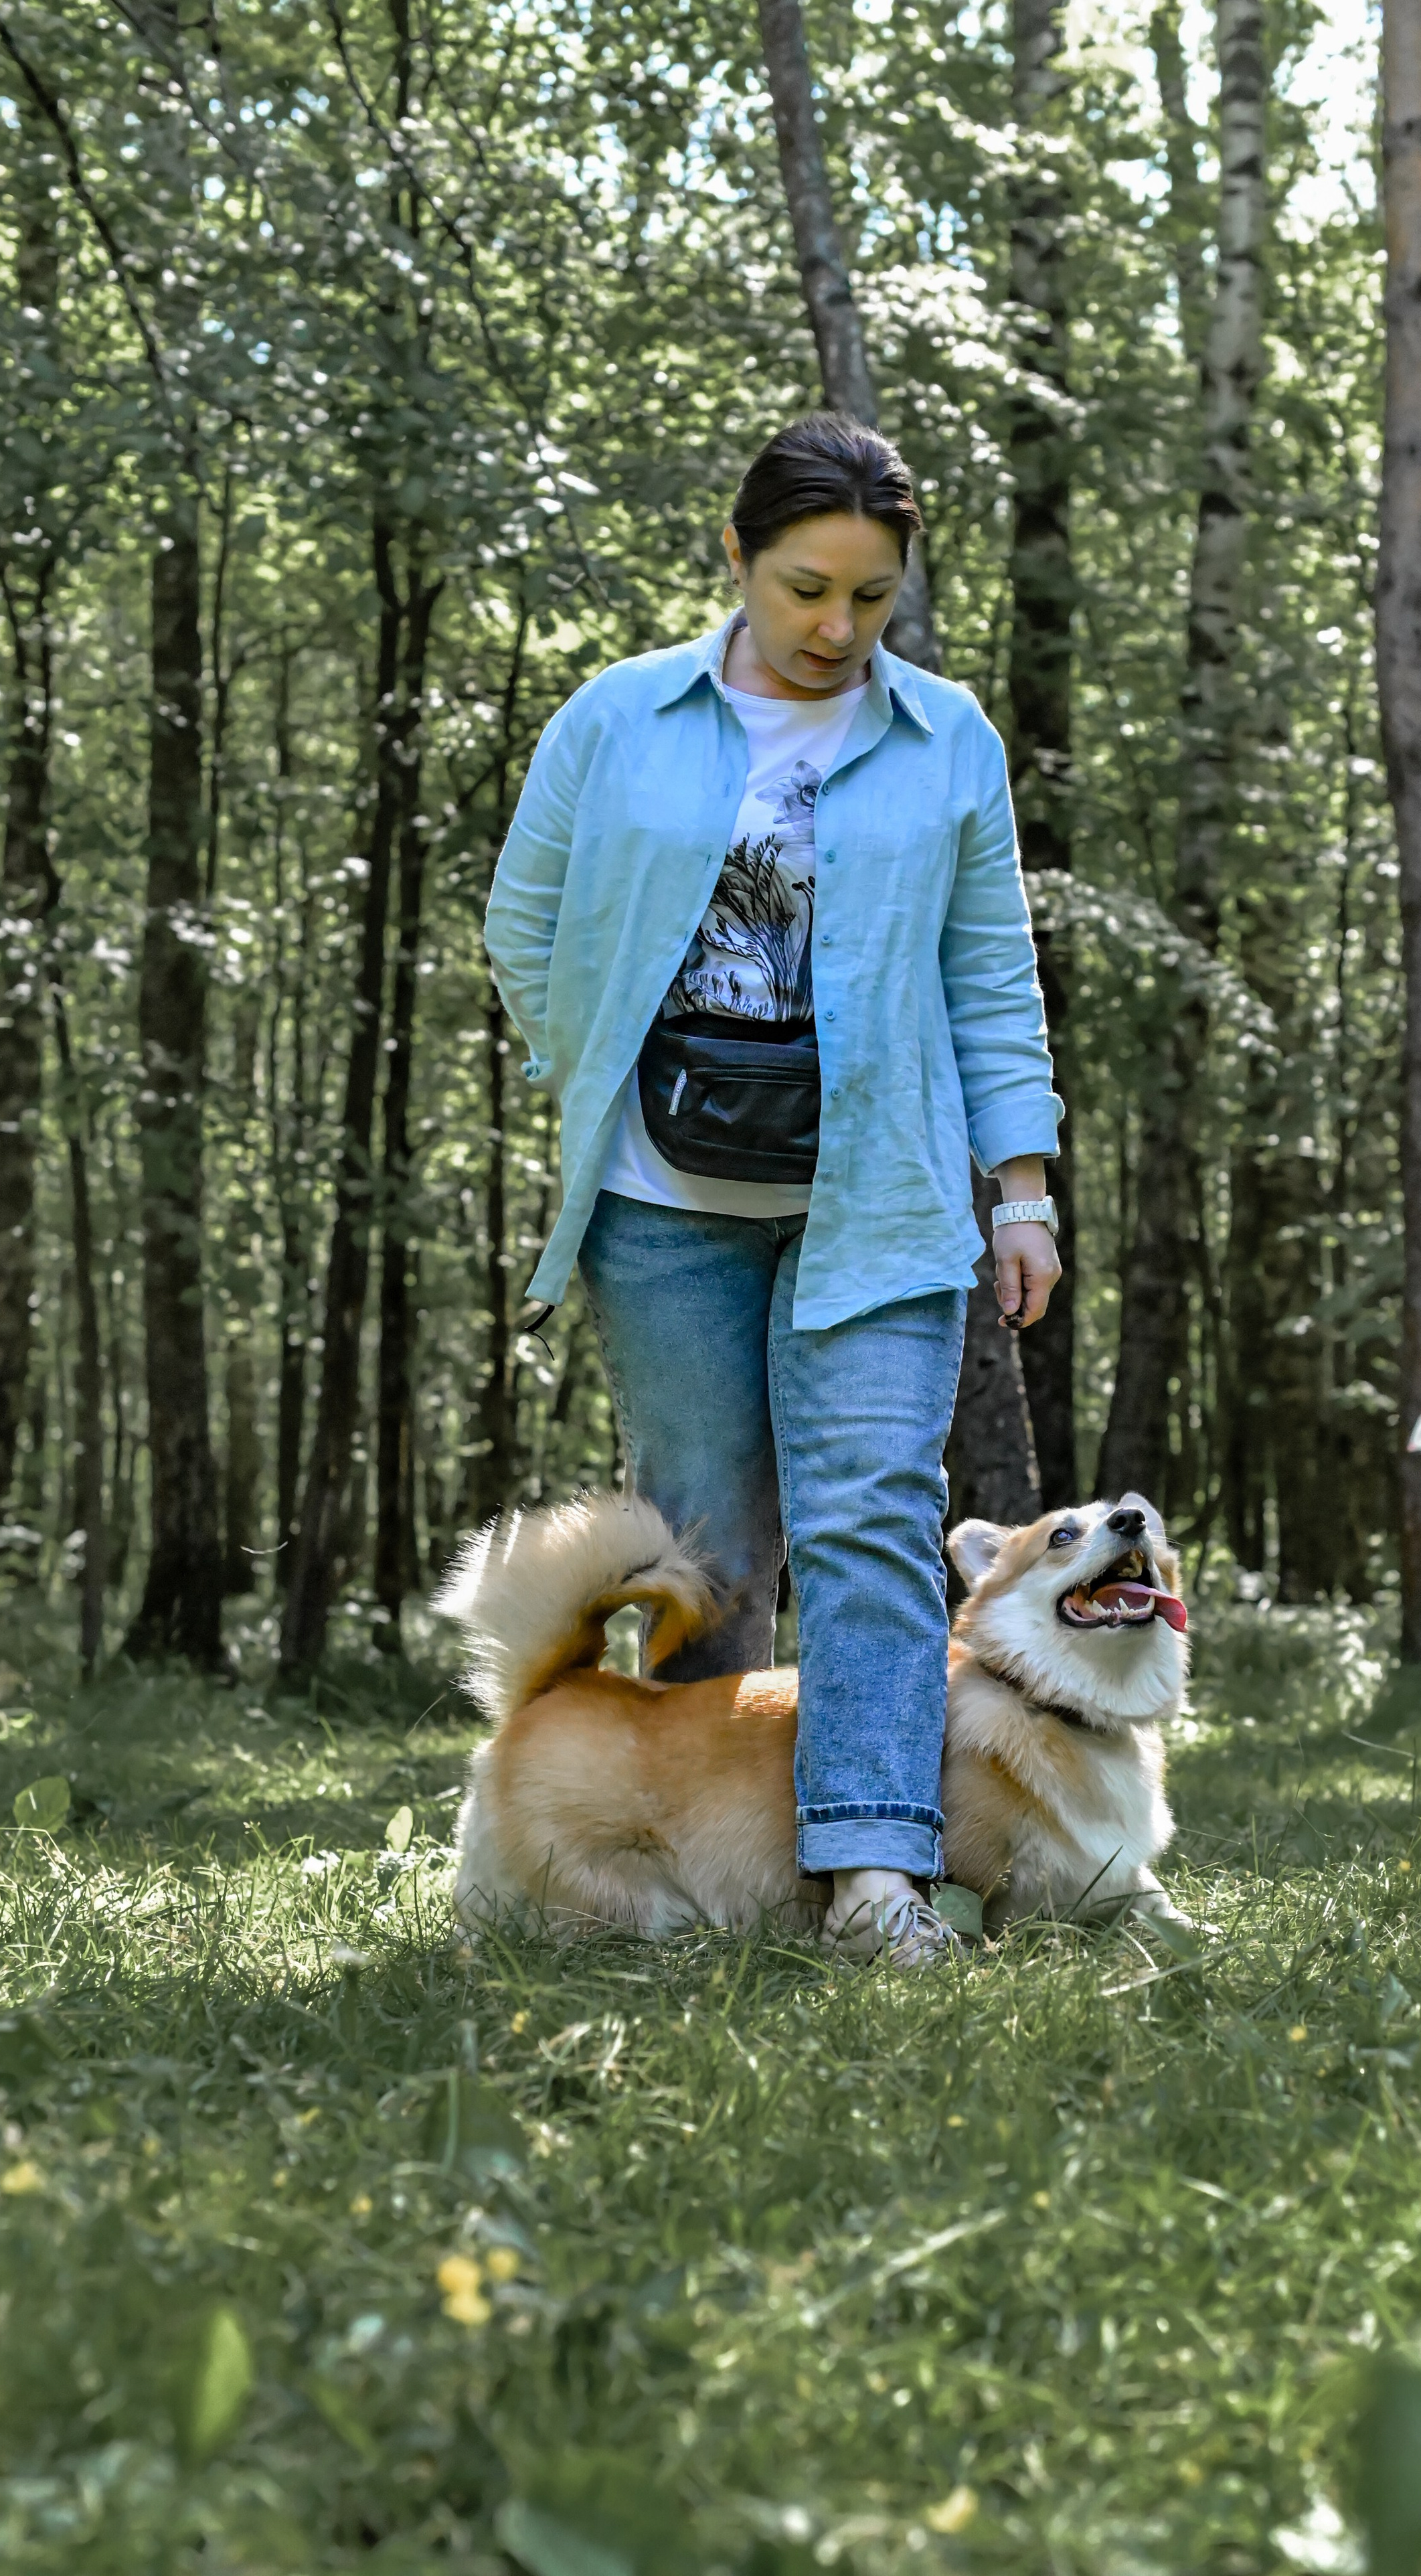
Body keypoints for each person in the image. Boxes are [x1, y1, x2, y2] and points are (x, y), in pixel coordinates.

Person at [484, 410, 1062, 1967]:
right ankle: (694, 1864)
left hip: (876, 1203)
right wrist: (603, 1063)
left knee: (876, 1522)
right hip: (663, 1204)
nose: (834, 628)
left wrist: (1019, 1186)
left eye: (869, 599)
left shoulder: (945, 741)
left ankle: (875, 1872)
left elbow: (988, 974)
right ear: (733, 556)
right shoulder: (618, 717)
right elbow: (522, 923)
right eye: (805, 586)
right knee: (708, 1544)